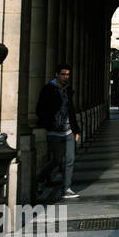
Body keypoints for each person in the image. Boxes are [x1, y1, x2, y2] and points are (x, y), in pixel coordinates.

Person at [35, 63, 81, 199]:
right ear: (57, 74)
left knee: (70, 159)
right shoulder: (48, 89)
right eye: (63, 74)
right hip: (54, 130)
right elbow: (39, 109)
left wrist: (76, 130)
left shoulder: (68, 90)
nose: (65, 76)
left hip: (68, 130)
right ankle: (40, 178)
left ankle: (66, 189)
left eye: (67, 74)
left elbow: (71, 111)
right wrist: (48, 123)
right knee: (56, 159)